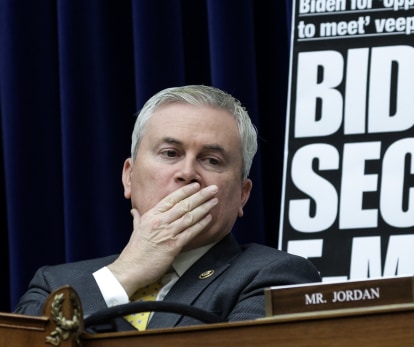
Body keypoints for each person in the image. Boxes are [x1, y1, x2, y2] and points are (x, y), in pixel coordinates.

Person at [14, 85, 321, 330]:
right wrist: (124, 274)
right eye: (170, 153)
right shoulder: (54, 286)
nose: (188, 172)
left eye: (211, 160)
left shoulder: (276, 277)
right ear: (129, 177)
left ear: (242, 195)